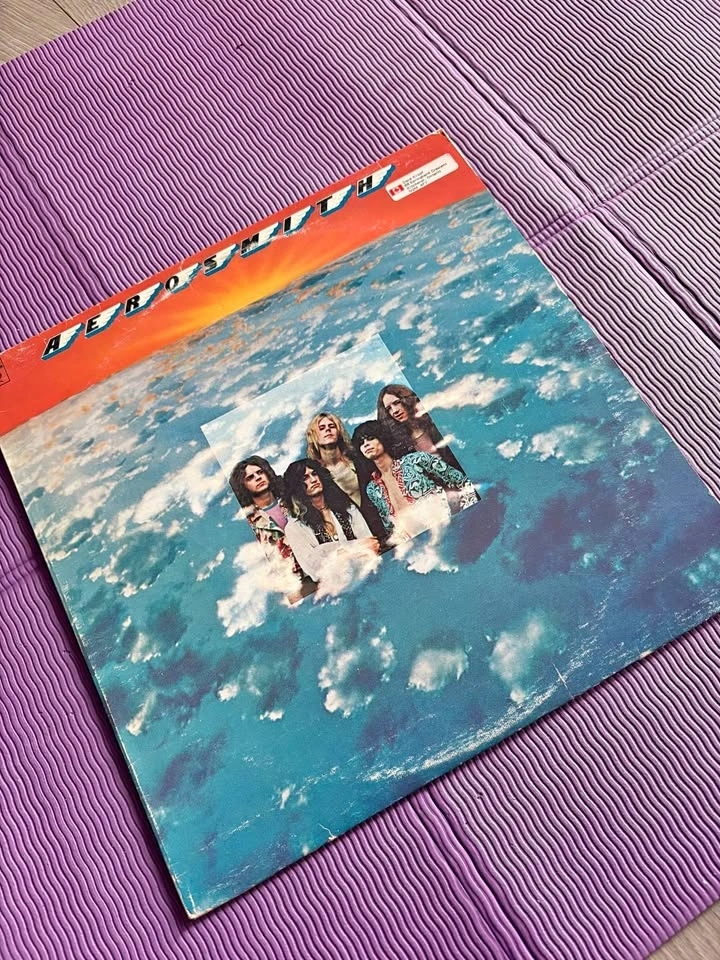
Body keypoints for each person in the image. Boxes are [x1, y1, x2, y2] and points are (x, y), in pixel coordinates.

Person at [351, 420, 479, 543]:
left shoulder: (416, 460)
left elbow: (462, 481)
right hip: (423, 547)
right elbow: (390, 529)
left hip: (452, 530)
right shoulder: (372, 489)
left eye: (370, 438)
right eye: (361, 443)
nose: (366, 444)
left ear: (382, 438)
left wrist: (469, 515)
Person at [229, 455, 315, 600]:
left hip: (320, 566)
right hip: (294, 585)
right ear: (243, 486)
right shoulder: (250, 523)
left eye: (260, 472)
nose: (258, 478)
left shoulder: (293, 501)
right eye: (250, 478)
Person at [283, 458, 381, 585]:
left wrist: (325, 553)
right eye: (305, 478)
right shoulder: (295, 527)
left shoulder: (347, 508)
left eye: (314, 474)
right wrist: (356, 548)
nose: (313, 480)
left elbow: (372, 544)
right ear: (296, 487)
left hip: (369, 575)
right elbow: (315, 570)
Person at [305, 411, 387, 541]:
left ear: (339, 431)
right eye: (322, 428)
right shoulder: (315, 475)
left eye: (332, 426)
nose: (328, 430)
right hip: (358, 538)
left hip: (386, 524)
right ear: (313, 436)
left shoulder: (360, 459)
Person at [377, 383, 464, 471]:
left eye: (396, 403)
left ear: (407, 400)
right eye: (389, 408)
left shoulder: (436, 422)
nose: (394, 411)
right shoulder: (400, 443)